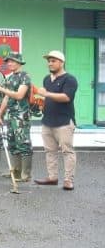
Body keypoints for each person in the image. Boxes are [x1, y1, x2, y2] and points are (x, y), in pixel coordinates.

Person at [34, 50, 78, 191]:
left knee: (67, 151)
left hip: (64, 121)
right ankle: (52, 178)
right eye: (49, 61)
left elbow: (66, 97)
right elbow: (48, 98)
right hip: (48, 121)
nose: (50, 63)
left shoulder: (69, 79)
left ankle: (68, 180)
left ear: (61, 62)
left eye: (53, 61)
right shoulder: (47, 79)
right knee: (49, 151)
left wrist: (46, 93)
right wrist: (42, 103)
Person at [0, 52, 33, 182]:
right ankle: (16, 172)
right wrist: (0, 115)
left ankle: (26, 175)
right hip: (11, 115)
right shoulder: (10, 78)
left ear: (19, 62)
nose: (9, 64)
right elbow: (6, 98)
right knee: (13, 143)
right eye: (8, 62)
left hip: (21, 116)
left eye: (12, 61)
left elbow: (19, 95)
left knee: (23, 143)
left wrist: (0, 88)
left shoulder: (25, 76)